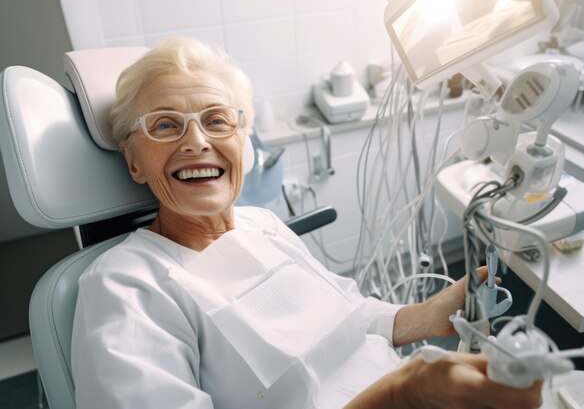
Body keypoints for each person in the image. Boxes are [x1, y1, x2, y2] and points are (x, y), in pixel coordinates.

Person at [71, 36, 543, 409]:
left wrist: (425, 316)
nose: (196, 141)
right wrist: (403, 394)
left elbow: (349, 312)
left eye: (217, 120)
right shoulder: (126, 287)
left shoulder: (263, 225)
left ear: (243, 142)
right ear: (134, 161)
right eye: (165, 125)